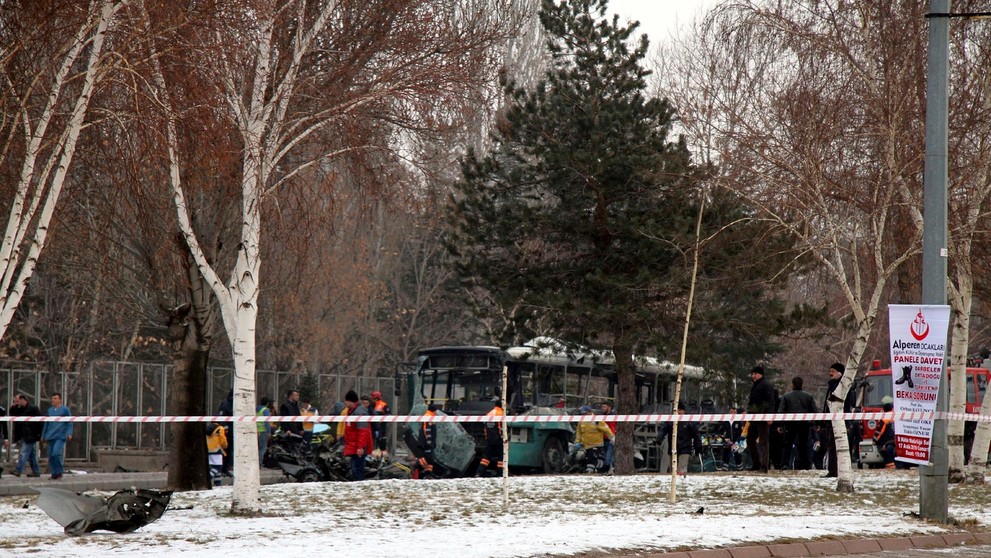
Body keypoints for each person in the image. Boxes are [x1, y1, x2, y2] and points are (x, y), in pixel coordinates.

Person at [821, 362, 856, 478]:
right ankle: (832, 470)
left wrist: (847, 422)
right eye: (830, 371)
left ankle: (838, 470)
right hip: (831, 420)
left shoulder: (842, 387)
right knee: (831, 446)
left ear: (840, 373)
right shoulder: (832, 385)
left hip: (841, 419)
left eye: (833, 371)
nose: (830, 374)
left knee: (839, 446)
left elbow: (843, 403)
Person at [777, 376, 818, 470]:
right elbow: (814, 411)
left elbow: (781, 411)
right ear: (802, 384)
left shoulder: (786, 396)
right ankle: (804, 464)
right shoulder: (808, 396)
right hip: (804, 423)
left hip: (790, 423)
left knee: (788, 445)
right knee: (803, 444)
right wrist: (815, 423)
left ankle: (785, 464)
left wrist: (780, 424)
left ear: (793, 384)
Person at [746, 366, 775, 473]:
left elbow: (771, 401)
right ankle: (756, 463)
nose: (753, 376)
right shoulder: (755, 386)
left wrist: (769, 416)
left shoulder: (766, 385)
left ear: (760, 374)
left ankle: (764, 466)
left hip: (762, 418)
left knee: (763, 442)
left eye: (755, 374)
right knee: (750, 440)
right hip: (753, 418)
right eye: (752, 373)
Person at [7, 395, 43, 477]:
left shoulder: (33, 408)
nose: (18, 402)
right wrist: (14, 406)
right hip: (23, 435)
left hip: (31, 435)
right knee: (31, 455)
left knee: (23, 452)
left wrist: (40, 433)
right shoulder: (19, 409)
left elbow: (41, 421)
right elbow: (12, 415)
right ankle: (36, 471)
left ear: (24, 400)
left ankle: (18, 470)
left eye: (19, 400)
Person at [40, 393, 73, 480]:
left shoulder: (65, 410)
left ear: (60, 400)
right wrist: (43, 435)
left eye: (55, 398)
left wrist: (69, 433)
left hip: (60, 436)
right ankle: (54, 473)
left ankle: (59, 472)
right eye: (52, 398)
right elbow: (46, 423)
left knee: (56, 453)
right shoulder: (50, 410)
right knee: (51, 456)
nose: (53, 400)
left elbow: (69, 422)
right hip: (50, 436)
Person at [342, 390, 373, 481]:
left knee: (357, 469)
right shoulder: (352, 411)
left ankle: (359, 484)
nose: (345, 403)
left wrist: (360, 447)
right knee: (355, 469)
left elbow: (363, 431)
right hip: (353, 445)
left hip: (358, 447)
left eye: (346, 401)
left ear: (350, 401)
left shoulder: (359, 412)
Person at [475, 399, 505, 477]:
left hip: (489, 439)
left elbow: (485, 426)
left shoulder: (489, 413)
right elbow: (502, 427)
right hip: (499, 439)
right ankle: (500, 474)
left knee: (486, 458)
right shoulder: (501, 414)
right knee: (502, 458)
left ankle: (478, 473)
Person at [873, 396, 896, 469]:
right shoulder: (897, 415)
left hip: (887, 445)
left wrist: (874, 441)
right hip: (897, 442)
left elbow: (878, 434)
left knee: (888, 458)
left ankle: (890, 468)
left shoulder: (884, 419)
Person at [216, 389, 235, 476]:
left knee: (229, 450)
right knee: (225, 450)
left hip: (232, 430)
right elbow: (221, 417)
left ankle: (225, 468)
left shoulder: (235, 404)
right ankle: (222, 469)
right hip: (226, 431)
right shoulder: (226, 404)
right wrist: (225, 428)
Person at [206, 422, 228, 486]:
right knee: (217, 467)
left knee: (215, 468)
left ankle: (218, 483)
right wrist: (225, 445)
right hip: (217, 450)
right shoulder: (220, 428)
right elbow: (223, 439)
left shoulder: (207, 428)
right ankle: (207, 479)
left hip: (209, 450)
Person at [600, 401, 618, 473]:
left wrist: (615, 436)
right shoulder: (601, 416)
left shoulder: (614, 416)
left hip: (611, 439)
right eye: (602, 407)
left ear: (609, 407)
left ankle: (610, 470)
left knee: (608, 457)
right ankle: (609, 470)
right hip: (603, 438)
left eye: (604, 407)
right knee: (605, 456)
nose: (602, 408)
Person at [257, 396, 273, 467]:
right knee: (262, 448)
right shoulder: (265, 410)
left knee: (257, 448)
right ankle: (259, 464)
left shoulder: (256, 409)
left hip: (256, 431)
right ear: (267, 403)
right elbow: (267, 422)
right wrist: (269, 432)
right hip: (263, 431)